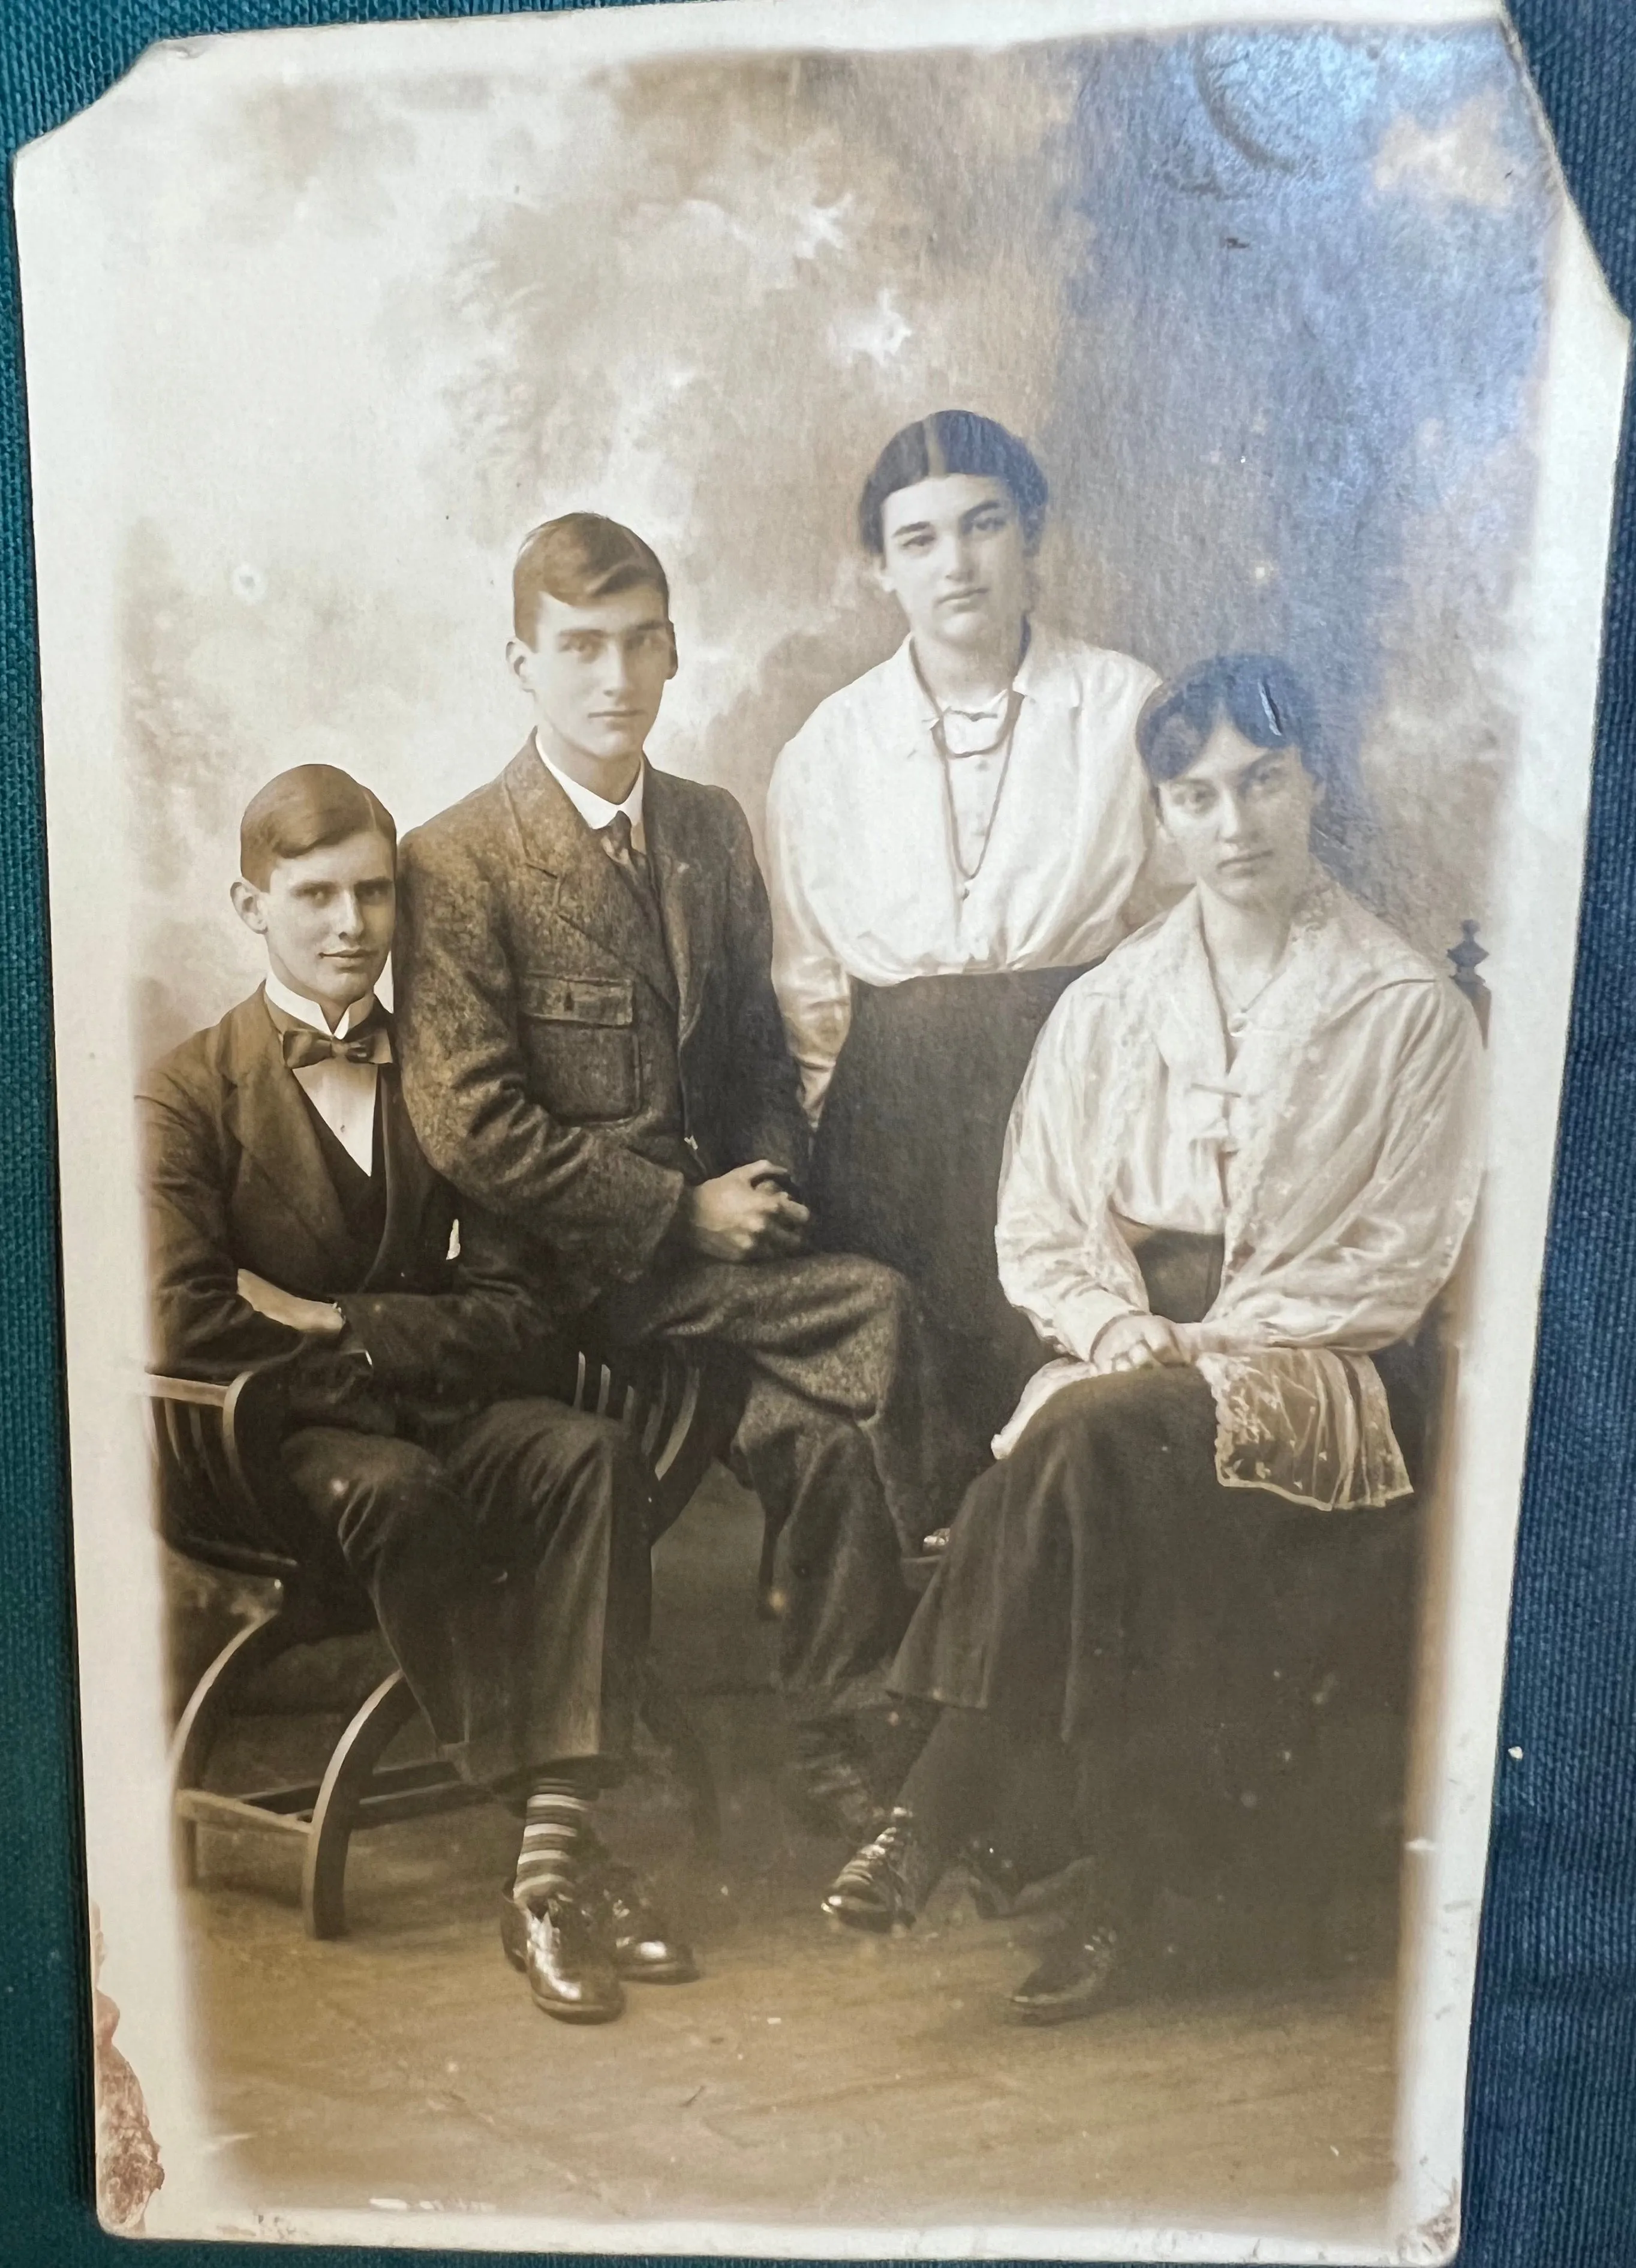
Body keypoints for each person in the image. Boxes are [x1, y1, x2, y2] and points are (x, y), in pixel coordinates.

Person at [820, 654, 1485, 2023]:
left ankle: (930, 1802)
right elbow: (1044, 1218)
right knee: (1097, 1445)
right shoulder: (1109, 1003)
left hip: (1323, 1368)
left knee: (1082, 1439)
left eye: (1262, 784)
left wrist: (1207, 1344)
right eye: (1195, 797)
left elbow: (1399, 1254)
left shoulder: (1404, 1008)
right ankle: (1103, 1890)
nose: (1233, 826)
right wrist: (1118, 1321)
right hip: (1135, 1360)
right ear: (1161, 819)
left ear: (1312, 789)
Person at [393, 514, 930, 1841]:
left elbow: (759, 1050)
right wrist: (674, 1212)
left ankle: (833, 1729)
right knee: (877, 1314)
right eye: (577, 646)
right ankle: (953, 1671)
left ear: (677, 650)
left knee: (821, 1429)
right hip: (568, 1288)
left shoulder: (703, 827)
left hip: (717, 1275)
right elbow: (468, 1123)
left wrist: (762, 1185)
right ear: (519, 663)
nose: (613, 677)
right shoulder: (456, 860)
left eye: (640, 642)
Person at [140, 763, 694, 2027]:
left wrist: (340, 1322)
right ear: (250, 903)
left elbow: (517, 1304)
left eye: (376, 895)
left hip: (434, 1411)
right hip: (273, 1454)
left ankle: (544, 1872)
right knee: (398, 1486)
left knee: (589, 1451)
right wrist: (386, 1348)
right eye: (316, 895)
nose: (351, 926)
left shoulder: (446, 1075)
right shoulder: (185, 1093)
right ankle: (566, 1857)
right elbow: (183, 1318)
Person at [765, 410, 1162, 1504]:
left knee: (1067, 1393)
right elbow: (808, 987)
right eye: (922, 538)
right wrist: (830, 1136)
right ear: (881, 567)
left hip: (1073, 1087)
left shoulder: (1127, 710)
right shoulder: (828, 751)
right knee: (917, 1415)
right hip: (891, 1120)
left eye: (983, 524)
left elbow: (1188, 934)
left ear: (1031, 535)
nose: (958, 562)